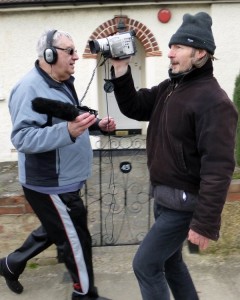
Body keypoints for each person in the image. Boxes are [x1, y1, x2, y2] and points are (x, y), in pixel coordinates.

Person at [109, 12, 238, 300]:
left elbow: (218, 168)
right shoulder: (171, 88)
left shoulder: (214, 102)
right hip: (165, 198)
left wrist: (204, 223)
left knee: (145, 264)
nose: (170, 53)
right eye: (171, 47)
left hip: (184, 204)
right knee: (170, 262)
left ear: (200, 52)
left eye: (178, 47)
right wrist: (120, 69)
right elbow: (134, 106)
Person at [0, 29, 115, 300]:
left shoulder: (61, 81)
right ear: (49, 55)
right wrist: (69, 132)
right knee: (77, 241)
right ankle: (84, 294)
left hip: (66, 179)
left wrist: (95, 124)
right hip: (50, 183)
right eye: (70, 51)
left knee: (60, 229)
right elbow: (23, 138)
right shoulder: (28, 89)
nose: (76, 57)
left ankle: (10, 264)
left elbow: (67, 114)